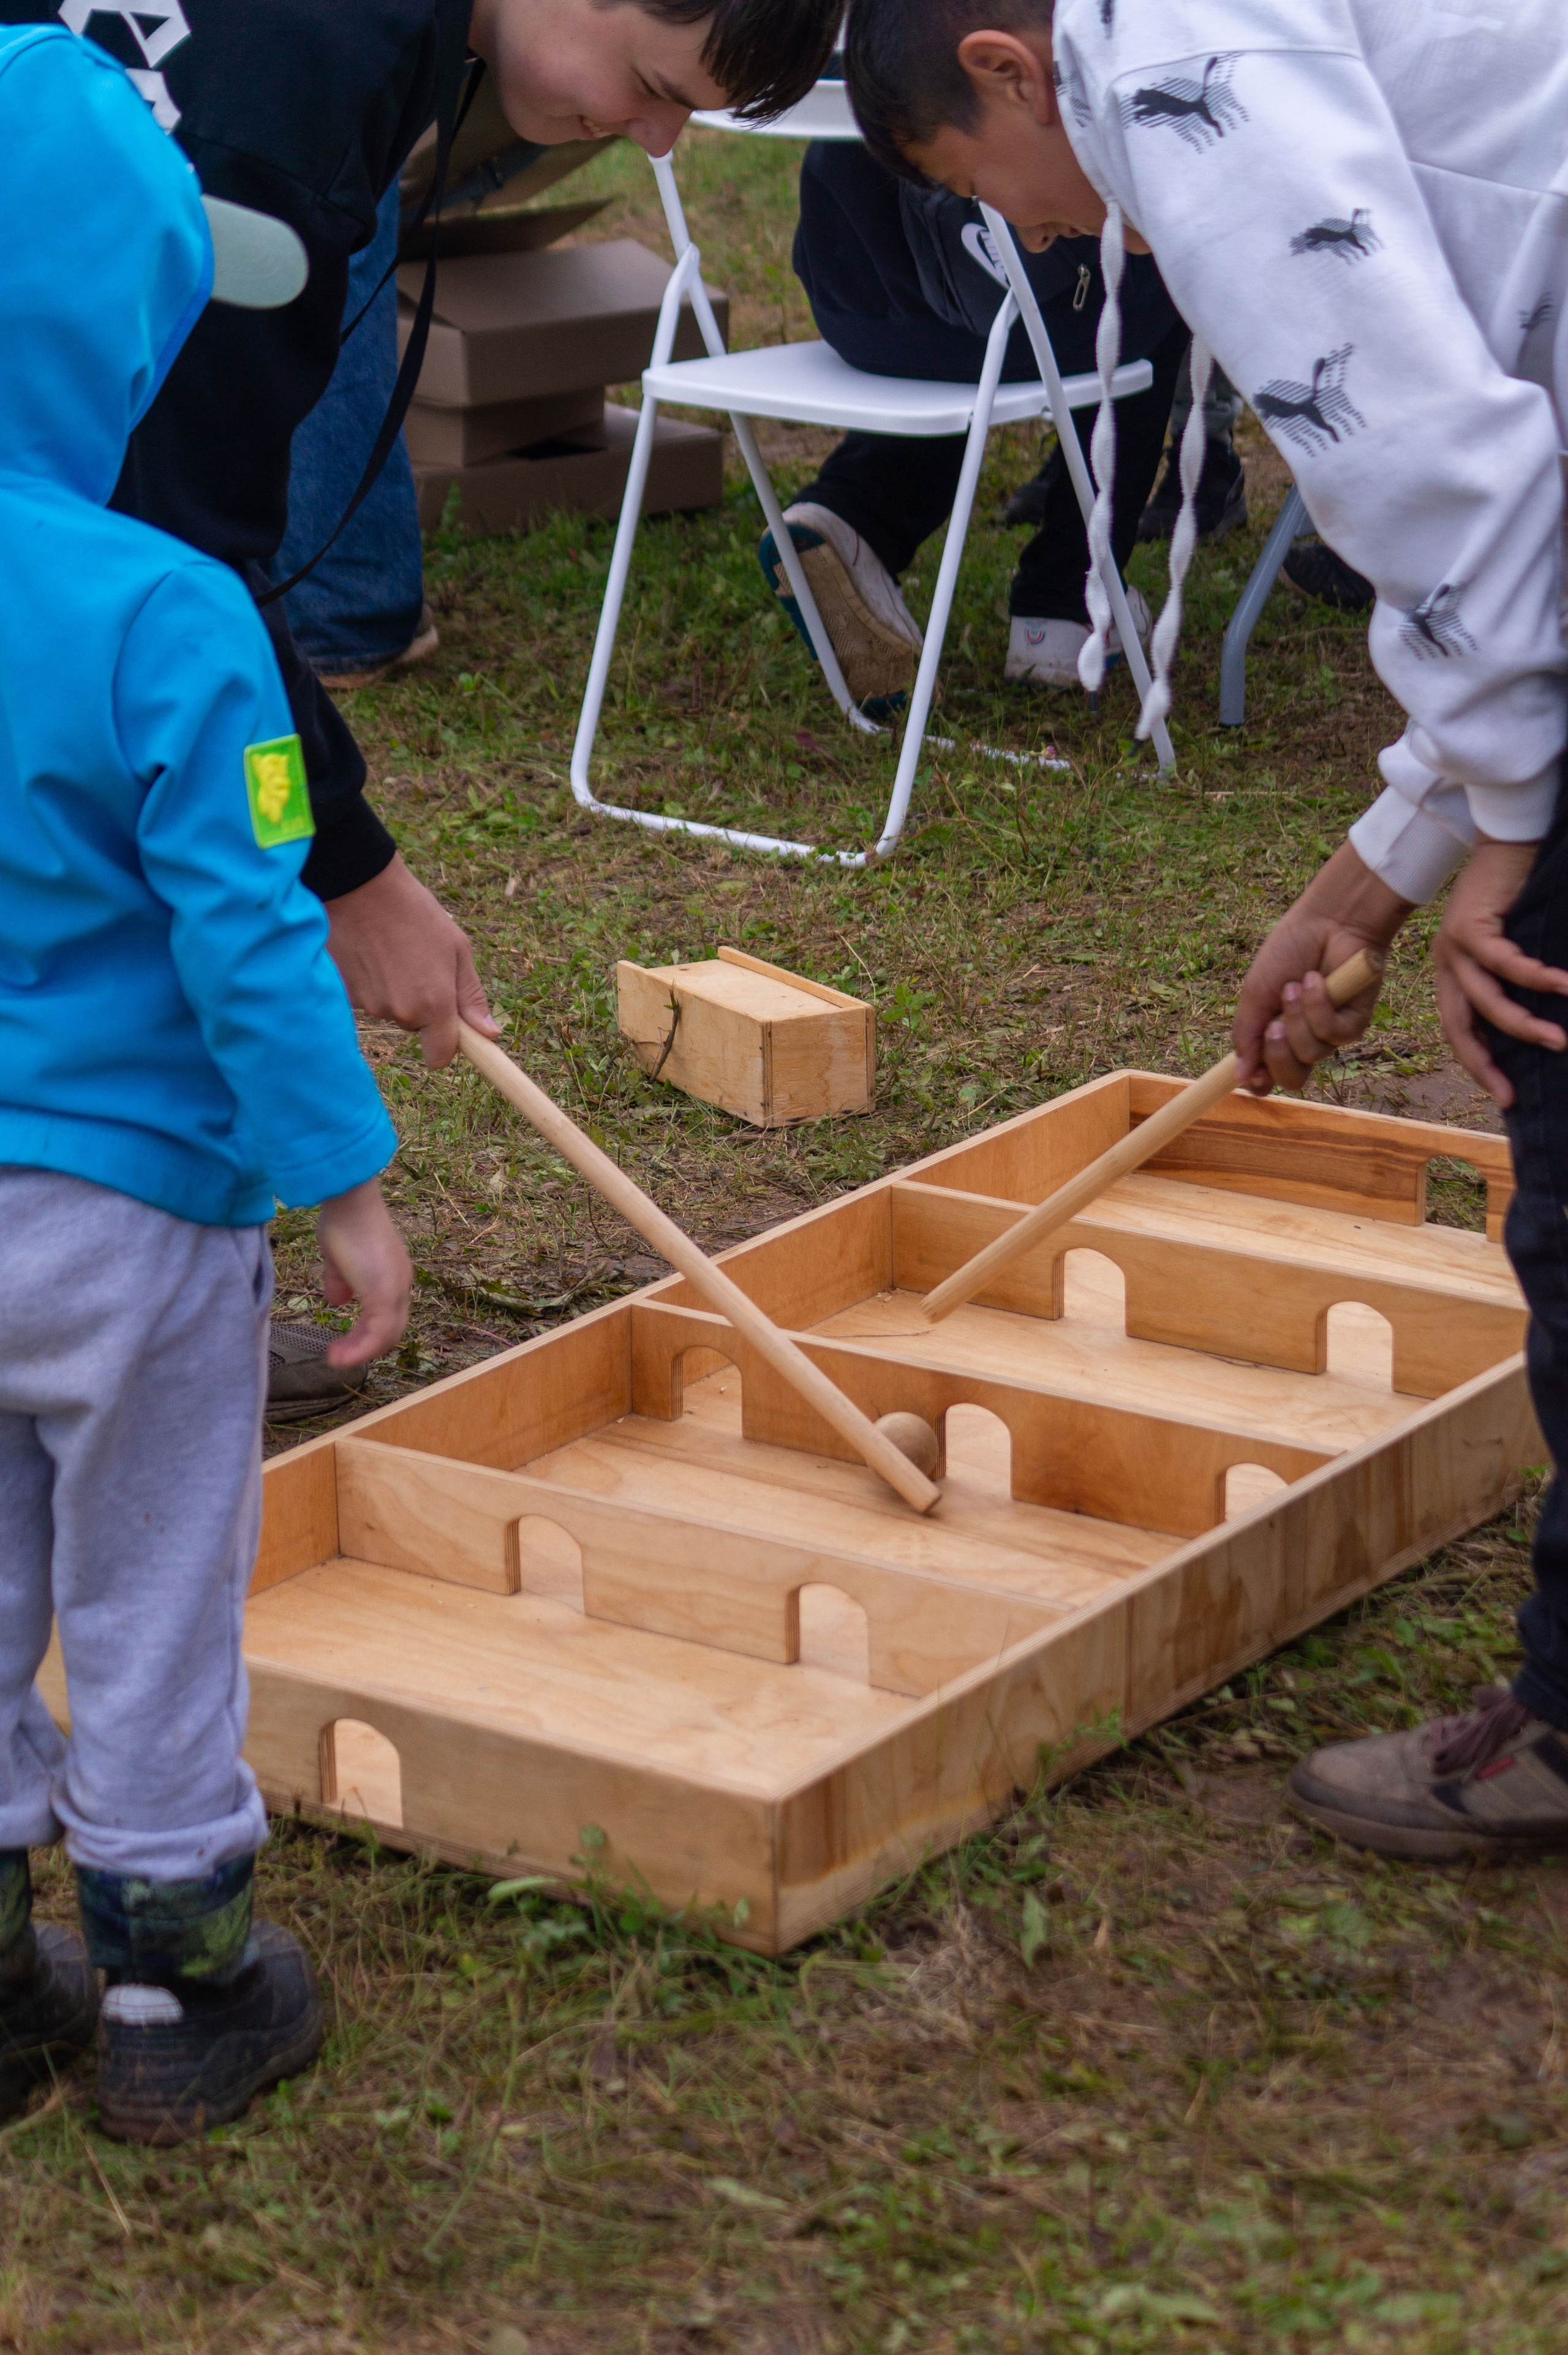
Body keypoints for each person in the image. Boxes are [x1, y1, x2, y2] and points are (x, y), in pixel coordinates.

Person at [843, 0, 1568, 1858]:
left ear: (1007, 73)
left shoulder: (1166, 82)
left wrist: (1505, 821)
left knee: (1555, 1113)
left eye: (994, 198)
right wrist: (1368, 876)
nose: (1064, 236)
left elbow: (1442, 470)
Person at [8, 0, 839, 1415]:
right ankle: (139, 1298)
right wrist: (344, 868)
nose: (653, 138)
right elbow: (196, 534)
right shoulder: (293, 91)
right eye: (648, 84)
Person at [0, 28, 412, 2139]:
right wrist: (343, 1173)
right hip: (138, 1213)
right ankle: (174, 1997)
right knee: (150, 1582)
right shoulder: (172, 612)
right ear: (122, 319)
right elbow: (252, 928)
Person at [763, 136, 1189, 709]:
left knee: (927, 167)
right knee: (1162, 255)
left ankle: (855, 509)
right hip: (1020, 309)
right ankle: (1071, 593)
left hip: (854, 301)